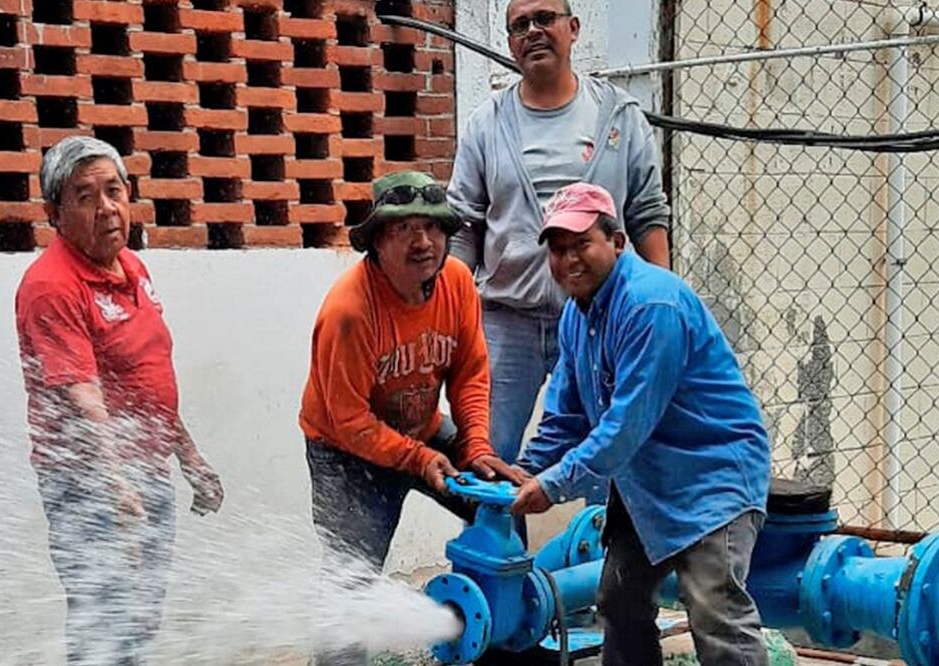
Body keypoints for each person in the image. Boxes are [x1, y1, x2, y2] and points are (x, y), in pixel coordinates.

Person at [510, 182, 771, 665]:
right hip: (646, 480)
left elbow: (626, 426)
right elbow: (566, 417)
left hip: (711, 478)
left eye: (581, 244)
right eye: (558, 249)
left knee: (716, 613)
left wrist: (551, 485)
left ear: (618, 242)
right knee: (618, 600)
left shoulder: (651, 305)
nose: (569, 259)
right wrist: (522, 470)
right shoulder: (577, 314)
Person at [14, 136, 224, 664]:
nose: (106, 207)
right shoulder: (51, 286)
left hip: (144, 472)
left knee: (140, 619)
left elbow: (148, 378)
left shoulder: (132, 267)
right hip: (90, 483)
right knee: (103, 626)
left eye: (114, 191)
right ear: (53, 213)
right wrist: (115, 484)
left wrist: (190, 459)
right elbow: (81, 396)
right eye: (84, 196)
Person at [299, 171, 523, 666]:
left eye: (434, 228)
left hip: (420, 433)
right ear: (377, 241)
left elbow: (470, 371)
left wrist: (478, 447)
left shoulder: (458, 282)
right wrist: (416, 458)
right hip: (344, 450)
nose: (423, 242)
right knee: (351, 574)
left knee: (498, 513)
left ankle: (503, 642)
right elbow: (347, 419)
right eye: (404, 229)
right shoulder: (349, 311)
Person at [448, 0, 672, 463]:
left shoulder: (619, 116)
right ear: (510, 44)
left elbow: (647, 213)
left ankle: (606, 539)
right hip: (507, 323)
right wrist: (449, 309)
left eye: (544, 18)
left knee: (615, 457)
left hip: (603, 319)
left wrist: (661, 303)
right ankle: (499, 540)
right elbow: (464, 224)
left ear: (573, 28)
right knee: (489, 458)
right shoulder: (487, 124)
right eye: (519, 25)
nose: (533, 31)